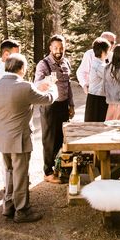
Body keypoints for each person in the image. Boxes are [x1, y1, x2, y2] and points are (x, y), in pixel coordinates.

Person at [0, 54, 58, 223]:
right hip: (20, 138)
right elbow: (48, 99)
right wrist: (53, 86)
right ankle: (22, 210)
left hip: (2, 138)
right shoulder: (25, 87)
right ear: (22, 68)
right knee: (21, 174)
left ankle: (8, 206)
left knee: (9, 172)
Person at [34, 34, 75, 184]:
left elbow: (68, 85)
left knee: (61, 138)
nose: (59, 50)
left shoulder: (66, 63)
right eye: (56, 48)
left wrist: (71, 104)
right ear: (50, 48)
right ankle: (48, 171)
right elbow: (36, 83)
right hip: (49, 105)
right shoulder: (43, 64)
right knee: (49, 139)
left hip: (63, 105)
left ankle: (59, 168)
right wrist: (48, 80)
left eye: (61, 47)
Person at [84, 37, 110, 122]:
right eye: (108, 50)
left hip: (97, 97)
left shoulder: (99, 63)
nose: (108, 53)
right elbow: (111, 78)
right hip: (97, 100)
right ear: (103, 51)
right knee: (96, 124)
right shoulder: (99, 66)